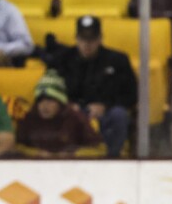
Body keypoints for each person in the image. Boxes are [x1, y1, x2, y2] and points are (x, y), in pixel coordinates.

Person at [49, 15, 137, 158]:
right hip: (71, 115)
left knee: (119, 115)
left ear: (100, 38)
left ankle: (111, 159)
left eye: (92, 39)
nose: (87, 44)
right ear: (76, 38)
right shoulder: (62, 60)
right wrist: (68, 106)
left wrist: (105, 106)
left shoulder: (118, 60)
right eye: (83, 39)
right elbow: (49, 90)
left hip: (105, 115)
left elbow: (132, 94)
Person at [15, 69, 105, 158]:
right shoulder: (29, 118)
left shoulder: (76, 118)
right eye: (40, 101)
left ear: (60, 103)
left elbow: (100, 149)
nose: (44, 106)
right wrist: (35, 153)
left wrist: (73, 155)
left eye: (50, 101)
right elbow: (17, 147)